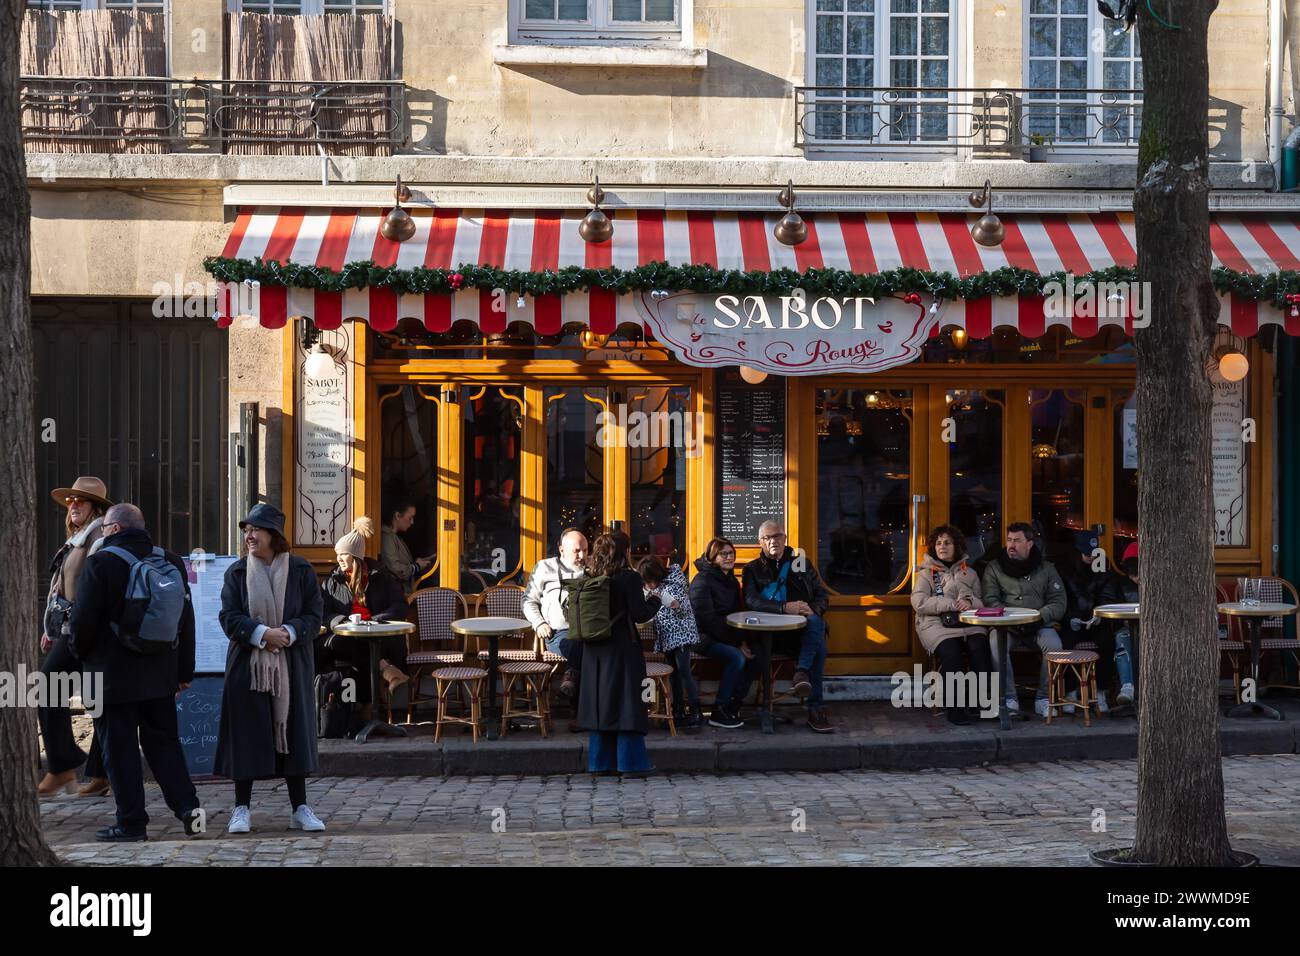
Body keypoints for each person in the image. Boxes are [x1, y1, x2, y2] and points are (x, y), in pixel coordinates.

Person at [68, 503, 201, 842]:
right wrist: (184, 669)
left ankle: (131, 823)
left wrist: (80, 656)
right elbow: (186, 620)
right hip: (160, 673)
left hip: (110, 677)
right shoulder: (169, 560)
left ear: (112, 529)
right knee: (165, 745)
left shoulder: (101, 563)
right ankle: (188, 808)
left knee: (120, 749)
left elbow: (83, 621)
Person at [215, 503, 326, 834]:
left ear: (274, 535)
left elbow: (314, 615)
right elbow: (229, 616)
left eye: (256, 530)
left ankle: (299, 808)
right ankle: (241, 808)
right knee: (246, 734)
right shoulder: (236, 573)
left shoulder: (301, 570)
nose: (249, 535)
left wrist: (288, 633)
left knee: (293, 732)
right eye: (247, 530)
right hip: (248, 665)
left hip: (291, 665)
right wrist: (263, 634)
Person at [37, 476, 111, 798]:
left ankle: (86, 771)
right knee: (52, 690)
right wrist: (49, 628)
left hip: (90, 632)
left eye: (81, 500)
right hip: (69, 631)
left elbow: (94, 587)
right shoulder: (77, 539)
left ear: (95, 508)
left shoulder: (99, 537)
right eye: (71, 501)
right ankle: (68, 768)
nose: (74, 505)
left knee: (96, 702)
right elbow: (62, 587)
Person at [577, 531, 662, 776]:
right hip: (623, 648)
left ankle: (599, 763)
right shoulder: (629, 578)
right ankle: (631, 763)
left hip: (594, 650)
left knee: (600, 704)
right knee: (628, 704)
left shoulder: (589, 575)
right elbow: (640, 614)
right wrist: (655, 601)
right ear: (624, 551)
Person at [742, 520, 834, 734]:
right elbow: (751, 601)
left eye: (776, 536)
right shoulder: (752, 569)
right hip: (768, 636)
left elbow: (822, 595)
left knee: (816, 627)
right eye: (767, 538)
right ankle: (813, 704)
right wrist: (785, 608)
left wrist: (813, 609)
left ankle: (806, 688)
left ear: (785, 538)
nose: (772, 541)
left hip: (801, 635)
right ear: (760, 542)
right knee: (818, 646)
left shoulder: (802, 564)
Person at [319, 517, 410, 721]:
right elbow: (322, 612)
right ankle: (387, 672)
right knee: (358, 645)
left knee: (367, 645)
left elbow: (400, 606)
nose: (339, 559)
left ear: (356, 557)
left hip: (379, 634)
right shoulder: (332, 581)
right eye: (337, 555)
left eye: (344, 555)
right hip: (345, 636)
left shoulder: (382, 577)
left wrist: (375, 621)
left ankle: (369, 708)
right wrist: (342, 621)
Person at [981, 522, 1068, 718]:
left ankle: (1044, 698)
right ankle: (1008, 698)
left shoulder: (1046, 568)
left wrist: (1039, 618)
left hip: (1039, 625)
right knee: (995, 644)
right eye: (1009, 540)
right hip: (1006, 626)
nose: (1011, 545)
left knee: (1055, 645)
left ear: (1029, 543)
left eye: (1017, 540)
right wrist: (1009, 620)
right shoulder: (994, 568)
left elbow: (1058, 602)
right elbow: (990, 599)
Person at [911, 525, 993, 725]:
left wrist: (970, 602)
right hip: (936, 624)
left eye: (947, 542)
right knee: (952, 653)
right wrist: (949, 604)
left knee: (980, 648)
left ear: (957, 546)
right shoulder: (926, 574)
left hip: (968, 622)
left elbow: (981, 602)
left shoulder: (970, 573)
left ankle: (978, 703)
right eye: (938, 543)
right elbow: (919, 602)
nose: (942, 547)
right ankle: (954, 709)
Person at [689, 537, 760, 729]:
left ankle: (733, 705)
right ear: (712, 557)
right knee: (737, 658)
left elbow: (738, 615)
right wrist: (737, 644)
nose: (730, 557)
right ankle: (719, 711)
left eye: (732, 553)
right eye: (724, 553)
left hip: (726, 635)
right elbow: (707, 620)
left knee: (757, 653)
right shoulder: (702, 580)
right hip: (701, 637)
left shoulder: (731, 581)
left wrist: (743, 641)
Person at [522, 527, 588, 699]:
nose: (582, 556)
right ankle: (578, 710)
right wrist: (539, 623)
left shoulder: (594, 568)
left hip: (590, 631)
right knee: (576, 643)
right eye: (577, 551)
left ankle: (571, 680)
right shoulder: (545, 567)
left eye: (586, 550)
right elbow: (528, 600)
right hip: (559, 633)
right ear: (561, 550)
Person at [638, 557, 702, 733]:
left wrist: (674, 604)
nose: (648, 585)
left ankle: (696, 710)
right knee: (674, 674)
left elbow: (683, 609)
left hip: (681, 635)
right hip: (667, 637)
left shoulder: (674, 584)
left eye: (649, 581)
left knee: (684, 672)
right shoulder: (655, 588)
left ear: (656, 576)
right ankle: (678, 709)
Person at [381, 496, 435, 596]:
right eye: (410, 518)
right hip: (396, 596)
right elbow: (395, 569)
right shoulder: (386, 537)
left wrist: (417, 564)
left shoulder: (396, 537)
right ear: (397, 515)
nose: (412, 522)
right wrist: (416, 566)